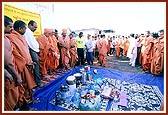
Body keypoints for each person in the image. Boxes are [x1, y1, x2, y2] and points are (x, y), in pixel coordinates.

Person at [5, 20, 37, 110]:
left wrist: (29, 61)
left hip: (27, 65)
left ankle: (29, 101)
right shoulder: (10, 37)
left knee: (27, 86)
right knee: (21, 87)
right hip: (20, 67)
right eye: (10, 27)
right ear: (20, 29)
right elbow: (16, 55)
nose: (11, 29)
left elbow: (25, 51)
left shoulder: (20, 37)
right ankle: (24, 107)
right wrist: (26, 63)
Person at [4, 15, 22, 111]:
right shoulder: (4, 40)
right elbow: (9, 63)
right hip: (9, 74)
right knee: (10, 99)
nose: (12, 29)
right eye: (10, 27)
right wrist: (17, 77)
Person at [23, 20, 45, 88]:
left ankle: (36, 81)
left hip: (34, 50)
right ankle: (38, 82)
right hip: (32, 50)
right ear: (30, 25)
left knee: (35, 66)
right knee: (36, 66)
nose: (35, 29)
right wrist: (37, 50)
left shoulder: (29, 32)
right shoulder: (27, 32)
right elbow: (31, 44)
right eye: (34, 27)